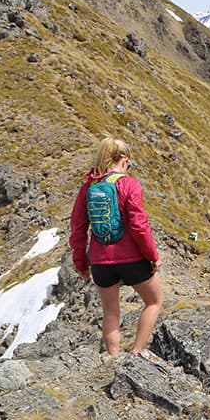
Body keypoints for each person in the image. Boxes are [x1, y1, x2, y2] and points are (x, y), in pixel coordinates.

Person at [69, 137, 164, 358]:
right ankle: (136, 353)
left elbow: (78, 229)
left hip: (101, 261)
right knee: (154, 301)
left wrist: (81, 263)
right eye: (128, 164)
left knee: (110, 311)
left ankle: (113, 358)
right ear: (122, 160)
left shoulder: (88, 188)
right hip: (132, 259)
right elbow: (139, 225)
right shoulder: (129, 184)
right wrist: (152, 256)